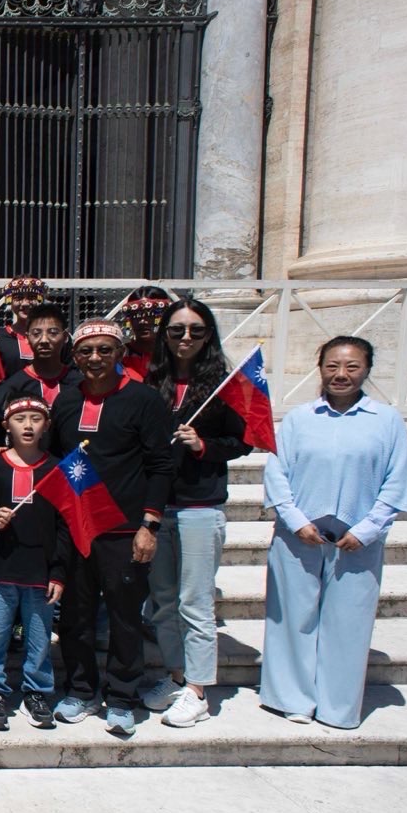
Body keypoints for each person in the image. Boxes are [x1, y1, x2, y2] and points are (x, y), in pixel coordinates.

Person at [261, 336, 407, 729]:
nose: (341, 375)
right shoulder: (298, 419)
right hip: (300, 534)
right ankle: (293, 698)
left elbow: (396, 483)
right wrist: (296, 520)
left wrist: (368, 529)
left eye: (351, 366)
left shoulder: (386, 421)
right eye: (332, 366)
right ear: (320, 367)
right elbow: (277, 474)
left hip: (356, 539)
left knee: (349, 621)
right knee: (292, 617)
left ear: (367, 369)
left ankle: (338, 705)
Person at [50, 320, 175, 734]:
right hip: (77, 528)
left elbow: (161, 465)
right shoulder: (66, 402)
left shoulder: (144, 401)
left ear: (120, 353)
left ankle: (121, 697)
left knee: (124, 617)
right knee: (75, 616)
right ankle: (82, 691)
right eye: (86, 351)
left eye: (105, 350)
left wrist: (149, 525)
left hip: (125, 529)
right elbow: (55, 462)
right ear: (76, 356)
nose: (95, 359)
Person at [139, 298, 254, 728]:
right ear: (164, 336)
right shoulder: (152, 382)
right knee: (164, 602)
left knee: (195, 601)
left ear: (209, 336)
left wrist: (203, 446)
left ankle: (199, 690)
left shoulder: (224, 386)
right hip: (157, 508)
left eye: (196, 330)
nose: (185, 338)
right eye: (176, 330)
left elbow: (242, 442)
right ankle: (177, 676)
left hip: (200, 506)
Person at [0, 396, 68, 730]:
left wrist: (58, 570)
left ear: (47, 426)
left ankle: (37, 691)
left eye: (36, 419)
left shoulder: (56, 468)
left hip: (41, 570)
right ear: (6, 427)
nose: (28, 426)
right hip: (2, 567)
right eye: (20, 419)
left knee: (39, 636)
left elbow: (64, 524)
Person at [0, 303, 82, 408]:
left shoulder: (80, 384)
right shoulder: (13, 387)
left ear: (65, 337)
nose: (44, 340)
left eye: (53, 333)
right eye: (37, 334)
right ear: (27, 338)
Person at [0, 275, 49, 377]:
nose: (25, 303)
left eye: (31, 297)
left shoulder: (54, 337)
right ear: (10, 301)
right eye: (19, 298)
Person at [118, 287, 171, 381]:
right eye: (136, 314)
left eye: (151, 314)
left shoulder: (175, 352)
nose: (142, 321)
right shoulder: (118, 352)